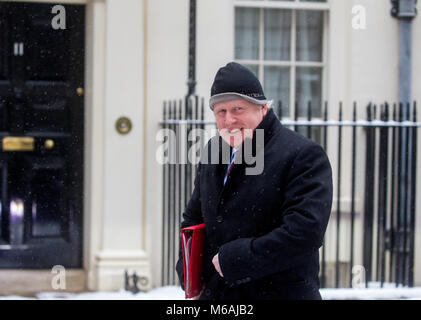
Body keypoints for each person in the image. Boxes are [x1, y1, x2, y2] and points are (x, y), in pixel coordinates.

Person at [176, 62, 333, 300]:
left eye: (238, 109)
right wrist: (191, 272)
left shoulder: (302, 154)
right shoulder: (213, 150)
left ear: (262, 109)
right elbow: (194, 218)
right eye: (221, 112)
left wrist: (235, 259)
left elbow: (304, 234)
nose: (229, 120)